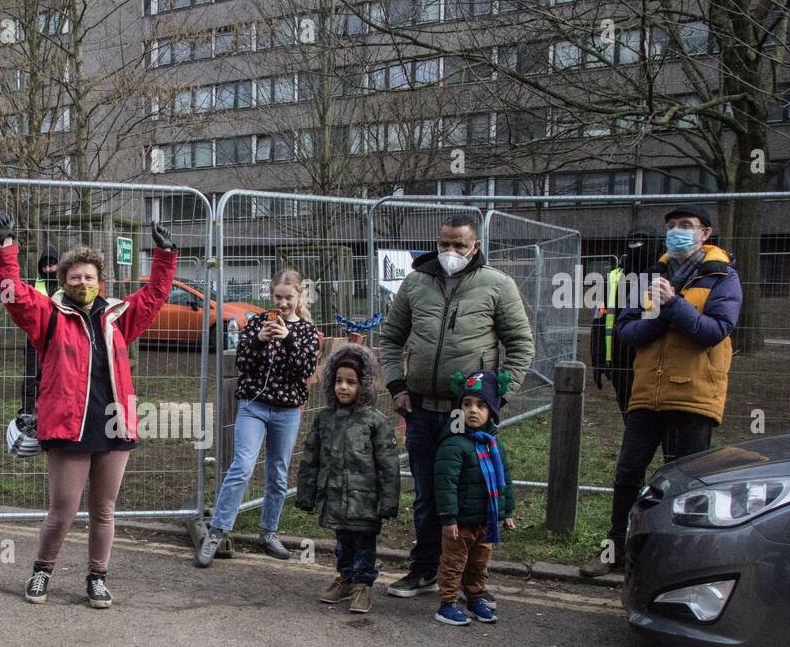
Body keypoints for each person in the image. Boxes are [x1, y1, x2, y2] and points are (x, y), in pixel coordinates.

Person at [0, 213, 177, 608]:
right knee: (62, 511)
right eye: (74, 277)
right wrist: (7, 249)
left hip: (114, 427)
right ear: (64, 282)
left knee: (104, 511)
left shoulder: (117, 318)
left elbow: (155, 296)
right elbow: (14, 295)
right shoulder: (50, 317)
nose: (82, 283)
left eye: (89, 277)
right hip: (68, 427)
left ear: (100, 282)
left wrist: (165, 255)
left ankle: (97, 577)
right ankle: (42, 570)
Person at [377, 214, 534, 600]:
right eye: (444, 243)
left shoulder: (497, 286)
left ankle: (469, 580)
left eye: (459, 245)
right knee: (429, 495)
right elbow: (391, 339)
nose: (450, 252)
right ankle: (424, 569)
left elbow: (520, 345)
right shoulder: (415, 283)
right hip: (420, 411)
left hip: (467, 415)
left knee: (468, 497)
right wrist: (397, 385)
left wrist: (497, 397)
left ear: (474, 246)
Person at [580, 206, 741, 578]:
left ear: (706, 233)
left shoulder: (723, 277)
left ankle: (680, 561)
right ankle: (614, 549)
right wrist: (661, 312)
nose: (677, 233)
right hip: (646, 393)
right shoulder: (652, 275)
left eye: (686, 226)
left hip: (695, 397)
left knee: (687, 483)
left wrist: (672, 305)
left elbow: (713, 331)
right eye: (671, 227)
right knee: (627, 474)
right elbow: (627, 331)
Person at [193, 268, 321, 567]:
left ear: (299, 296)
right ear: (271, 295)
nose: (283, 303)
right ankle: (216, 532)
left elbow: (304, 371)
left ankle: (269, 532)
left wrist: (287, 339)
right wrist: (259, 340)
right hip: (254, 405)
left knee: (278, 473)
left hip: (287, 410)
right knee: (242, 466)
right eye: (278, 297)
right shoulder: (255, 324)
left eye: (289, 297)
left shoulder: (306, 331)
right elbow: (242, 363)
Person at [295, 344, 400, 614]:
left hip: (365, 500)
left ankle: (362, 585)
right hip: (335, 496)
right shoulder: (325, 419)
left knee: (364, 544)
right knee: (342, 541)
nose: (343, 387)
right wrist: (306, 494)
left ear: (363, 385)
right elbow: (311, 458)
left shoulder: (374, 421)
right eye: (339, 381)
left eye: (351, 382)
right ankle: (345, 578)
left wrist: (388, 502)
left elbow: (388, 465)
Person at [433, 370, 517, 626]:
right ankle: (447, 603)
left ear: (492, 410)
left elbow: (505, 481)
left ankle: (476, 597)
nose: (473, 410)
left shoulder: (493, 444)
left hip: (485, 520)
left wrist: (508, 512)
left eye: (481, 405)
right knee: (454, 564)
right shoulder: (453, 444)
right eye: (467, 404)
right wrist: (448, 519)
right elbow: (445, 484)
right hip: (459, 524)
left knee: (479, 563)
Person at [591, 225, 659, 421]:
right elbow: (600, 319)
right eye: (632, 240)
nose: (636, 245)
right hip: (621, 361)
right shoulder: (613, 278)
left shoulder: (666, 274)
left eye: (643, 240)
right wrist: (598, 359)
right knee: (630, 418)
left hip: (657, 361)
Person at [21, 247, 60, 417]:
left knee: (56, 375)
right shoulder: (34, 284)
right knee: (31, 375)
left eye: (52, 265)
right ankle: (28, 411)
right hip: (35, 337)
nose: (49, 269)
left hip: (59, 338)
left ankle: (52, 410)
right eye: (45, 266)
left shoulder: (67, 284)